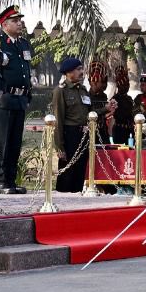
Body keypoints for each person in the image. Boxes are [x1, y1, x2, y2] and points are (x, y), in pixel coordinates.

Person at [0, 5, 33, 194]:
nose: (20, 23)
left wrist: (28, 94)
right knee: (2, 142)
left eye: (20, 20)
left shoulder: (23, 43)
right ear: (4, 24)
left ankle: (10, 180)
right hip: (5, 98)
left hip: (20, 99)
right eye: (15, 21)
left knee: (15, 142)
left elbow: (26, 71)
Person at [52, 56, 91, 193]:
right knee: (67, 171)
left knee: (80, 170)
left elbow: (89, 112)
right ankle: (63, 199)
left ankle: (77, 197)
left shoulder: (83, 89)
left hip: (83, 134)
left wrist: (107, 109)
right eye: (78, 69)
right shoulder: (60, 91)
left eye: (81, 69)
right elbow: (58, 120)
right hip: (69, 134)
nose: (81, 72)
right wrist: (59, 146)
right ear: (69, 72)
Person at [110, 66, 136, 145]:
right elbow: (117, 114)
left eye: (127, 85)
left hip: (129, 130)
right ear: (119, 86)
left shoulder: (129, 98)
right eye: (124, 85)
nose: (126, 87)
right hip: (119, 130)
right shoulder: (115, 98)